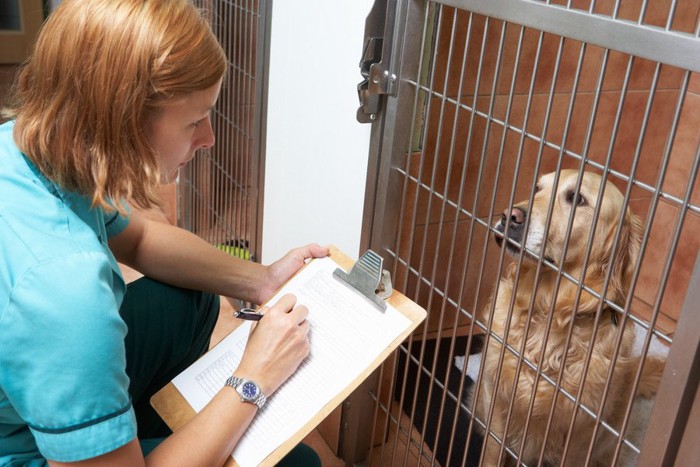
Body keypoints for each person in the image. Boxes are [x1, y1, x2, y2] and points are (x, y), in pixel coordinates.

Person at [0, 1, 329, 465]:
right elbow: (70, 308)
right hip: (19, 448)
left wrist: (263, 279)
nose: (209, 138)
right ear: (125, 119)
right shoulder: (66, 293)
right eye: (195, 120)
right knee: (299, 463)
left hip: (23, 383)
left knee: (190, 298)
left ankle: (129, 429)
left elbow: (138, 239)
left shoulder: (28, 146)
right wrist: (253, 379)